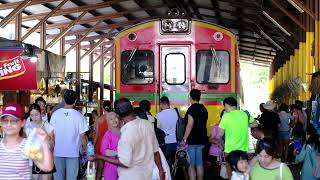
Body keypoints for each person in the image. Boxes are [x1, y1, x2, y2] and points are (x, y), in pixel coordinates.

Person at [90, 98, 165, 180]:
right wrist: (161, 170)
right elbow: (156, 151)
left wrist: (100, 157)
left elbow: (125, 163)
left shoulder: (126, 132)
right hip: (147, 176)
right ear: (132, 108)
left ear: (118, 115)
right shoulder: (147, 124)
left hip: (130, 176)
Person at [0, 102, 53, 179]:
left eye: (14, 120)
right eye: (5, 120)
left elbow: (47, 167)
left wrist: (45, 142)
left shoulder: (28, 146)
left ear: (23, 123)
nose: (9, 124)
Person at [51, 89, 89, 180]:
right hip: (73, 152)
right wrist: (85, 149)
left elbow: (52, 134)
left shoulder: (55, 114)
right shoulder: (79, 116)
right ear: (75, 101)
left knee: (58, 177)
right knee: (72, 177)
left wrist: (52, 149)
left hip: (58, 151)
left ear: (63, 99)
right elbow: (82, 136)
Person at [218, 97, 254, 179]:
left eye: (224, 106)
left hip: (229, 149)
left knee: (230, 172)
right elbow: (255, 124)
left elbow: (220, 133)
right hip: (243, 148)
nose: (225, 108)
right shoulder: (245, 114)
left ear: (227, 105)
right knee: (244, 170)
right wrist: (246, 125)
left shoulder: (226, 116)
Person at [182, 89, 208, 180]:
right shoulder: (204, 109)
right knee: (199, 164)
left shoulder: (191, 109)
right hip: (201, 140)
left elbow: (190, 125)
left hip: (192, 141)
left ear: (191, 98)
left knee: (191, 165)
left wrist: (184, 139)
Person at [25, 103, 55, 180]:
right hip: (33, 160)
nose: (34, 117)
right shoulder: (27, 128)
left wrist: (45, 134)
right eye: (31, 115)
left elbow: (52, 144)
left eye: (36, 114)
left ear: (41, 113)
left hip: (46, 159)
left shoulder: (48, 126)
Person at [156, 96, 179, 165]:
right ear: (168, 103)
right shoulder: (176, 112)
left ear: (162, 103)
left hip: (166, 141)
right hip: (176, 140)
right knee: (175, 160)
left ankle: (169, 173)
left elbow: (158, 129)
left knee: (166, 161)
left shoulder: (159, 115)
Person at [100, 112, 121, 180]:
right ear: (108, 122)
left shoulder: (123, 131)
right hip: (111, 165)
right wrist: (117, 153)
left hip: (123, 164)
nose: (115, 120)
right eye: (111, 119)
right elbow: (103, 151)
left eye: (116, 117)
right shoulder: (108, 134)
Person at [93, 100, 111, 180]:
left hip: (100, 145)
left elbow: (96, 135)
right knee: (111, 168)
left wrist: (93, 145)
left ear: (102, 108)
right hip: (111, 145)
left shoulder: (99, 119)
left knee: (100, 169)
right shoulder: (114, 118)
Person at [208, 110, 224, 178]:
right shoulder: (216, 127)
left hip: (225, 154)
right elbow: (210, 139)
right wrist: (217, 142)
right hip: (216, 153)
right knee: (216, 174)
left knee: (224, 174)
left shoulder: (230, 127)